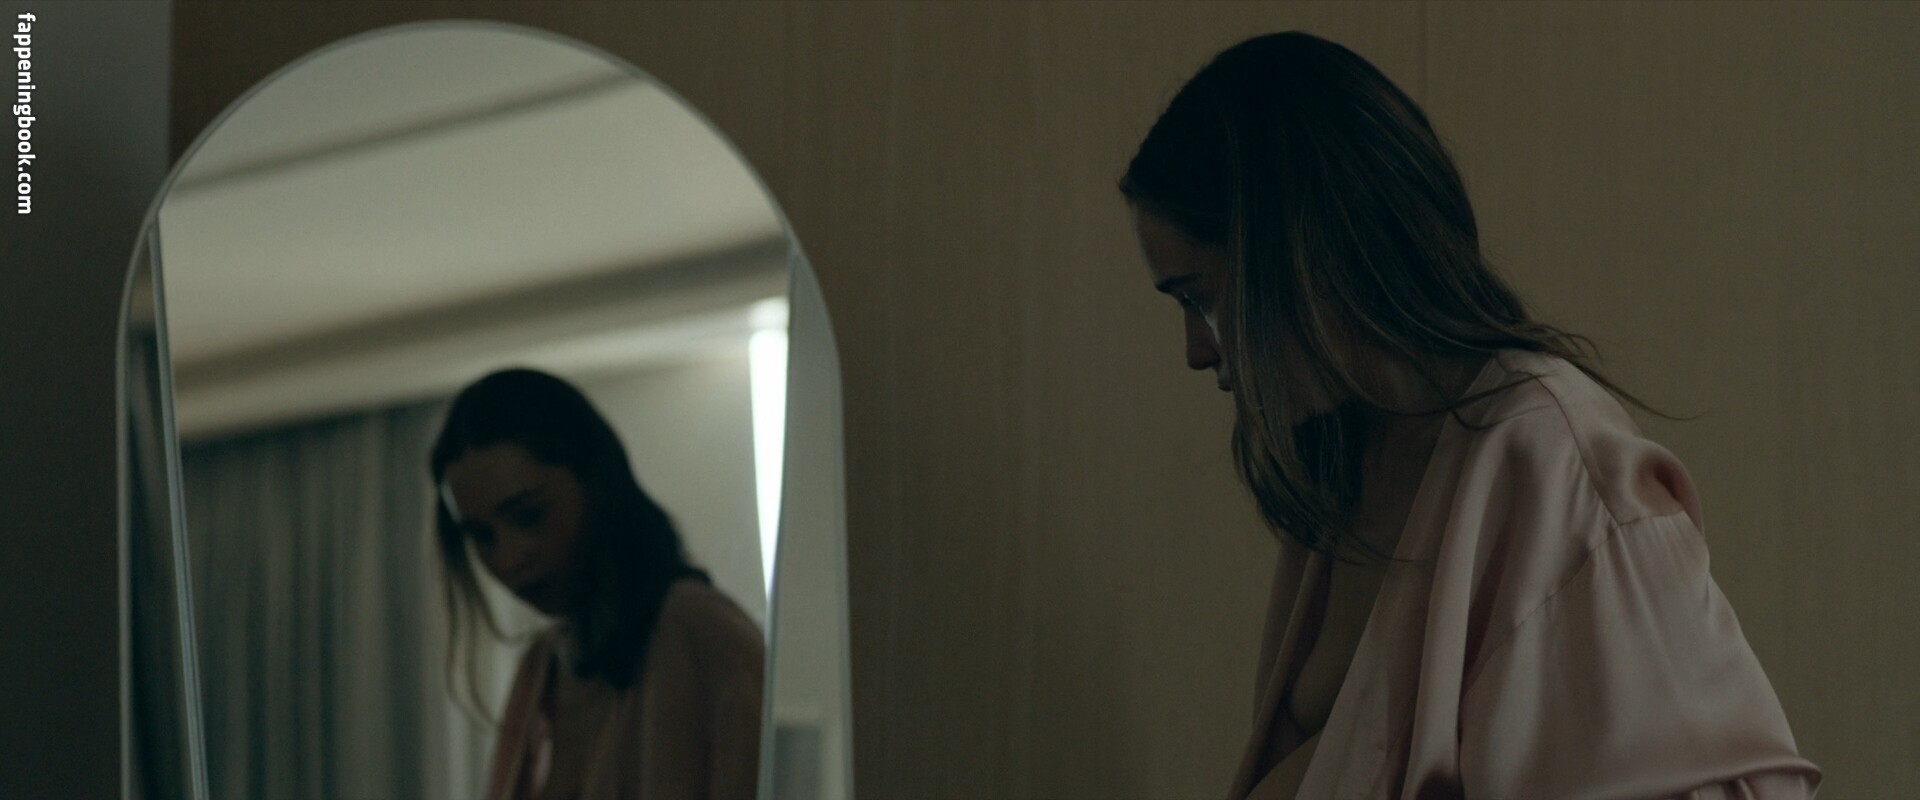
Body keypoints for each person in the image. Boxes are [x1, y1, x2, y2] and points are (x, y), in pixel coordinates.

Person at [1120, 31, 1821, 799]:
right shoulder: (1347, 461)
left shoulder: (1553, 461)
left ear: (1302, 250)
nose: (1196, 350)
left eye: (1200, 299)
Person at [428, 368, 764, 800]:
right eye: (481, 536)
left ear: (596, 483)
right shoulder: (545, 664)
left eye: (530, 516)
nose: (508, 559)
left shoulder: (697, 629)